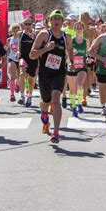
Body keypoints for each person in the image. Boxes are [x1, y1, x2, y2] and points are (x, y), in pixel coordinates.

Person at [30, 10, 73, 144]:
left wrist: (71, 62)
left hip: (59, 72)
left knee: (56, 99)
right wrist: (45, 49)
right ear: (50, 20)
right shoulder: (44, 34)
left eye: (59, 19)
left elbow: (70, 51)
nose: (56, 21)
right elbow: (32, 54)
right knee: (46, 101)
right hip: (45, 74)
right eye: (54, 18)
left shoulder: (67, 37)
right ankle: (43, 111)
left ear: (62, 21)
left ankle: (56, 132)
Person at [66, 21, 88, 117]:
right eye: (77, 27)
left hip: (82, 67)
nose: (79, 29)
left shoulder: (86, 41)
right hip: (72, 66)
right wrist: (70, 61)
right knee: (72, 90)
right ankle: (74, 107)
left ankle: (79, 103)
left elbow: (88, 53)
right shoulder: (71, 41)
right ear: (74, 29)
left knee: (79, 85)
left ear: (83, 29)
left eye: (80, 27)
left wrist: (88, 59)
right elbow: (67, 52)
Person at [16, 18, 38, 107]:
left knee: (30, 80)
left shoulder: (36, 33)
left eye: (29, 24)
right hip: (23, 57)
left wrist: (34, 38)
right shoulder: (20, 34)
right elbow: (19, 45)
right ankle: (22, 96)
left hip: (33, 58)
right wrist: (18, 51)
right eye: (26, 24)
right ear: (23, 25)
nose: (28, 26)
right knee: (22, 73)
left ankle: (29, 96)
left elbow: (39, 45)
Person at [6, 23, 20, 102]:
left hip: (20, 58)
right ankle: (12, 95)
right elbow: (6, 48)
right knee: (12, 77)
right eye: (13, 29)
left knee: (19, 76)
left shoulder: (21, 38)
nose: (15, 31)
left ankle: (17, 84)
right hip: (12, 58)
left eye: (17, 29)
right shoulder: (9, 39)